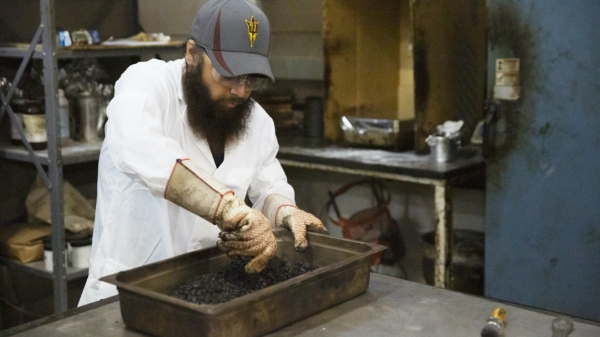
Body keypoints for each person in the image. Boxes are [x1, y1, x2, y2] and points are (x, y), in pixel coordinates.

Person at [78, 0, 327, 306]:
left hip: (205, 297)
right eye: (229, 75)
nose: (241, 91)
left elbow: (269, 185)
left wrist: (286, 211)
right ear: (193, 54)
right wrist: (227, 208)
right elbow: (137, 145)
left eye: (252, 79)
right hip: (124, 297)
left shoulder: (256, 120)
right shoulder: (148, 84)